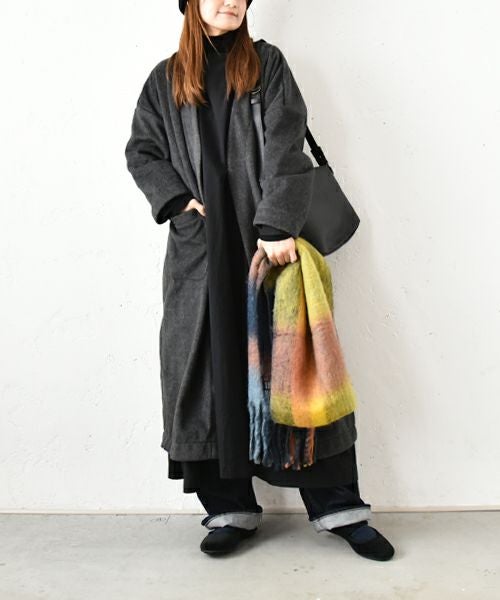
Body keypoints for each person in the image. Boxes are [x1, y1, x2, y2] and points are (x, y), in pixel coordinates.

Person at [125, 0, 395, 561]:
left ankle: (339, 508)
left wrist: (276, 223)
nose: (231, 1)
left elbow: (286, 141)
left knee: (299, 371)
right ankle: (230, 508)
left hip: (267, 246)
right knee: (205, 374)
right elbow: (143, 151)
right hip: (200, 254)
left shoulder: (266, 64)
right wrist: (177, 203)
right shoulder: (164, 79)